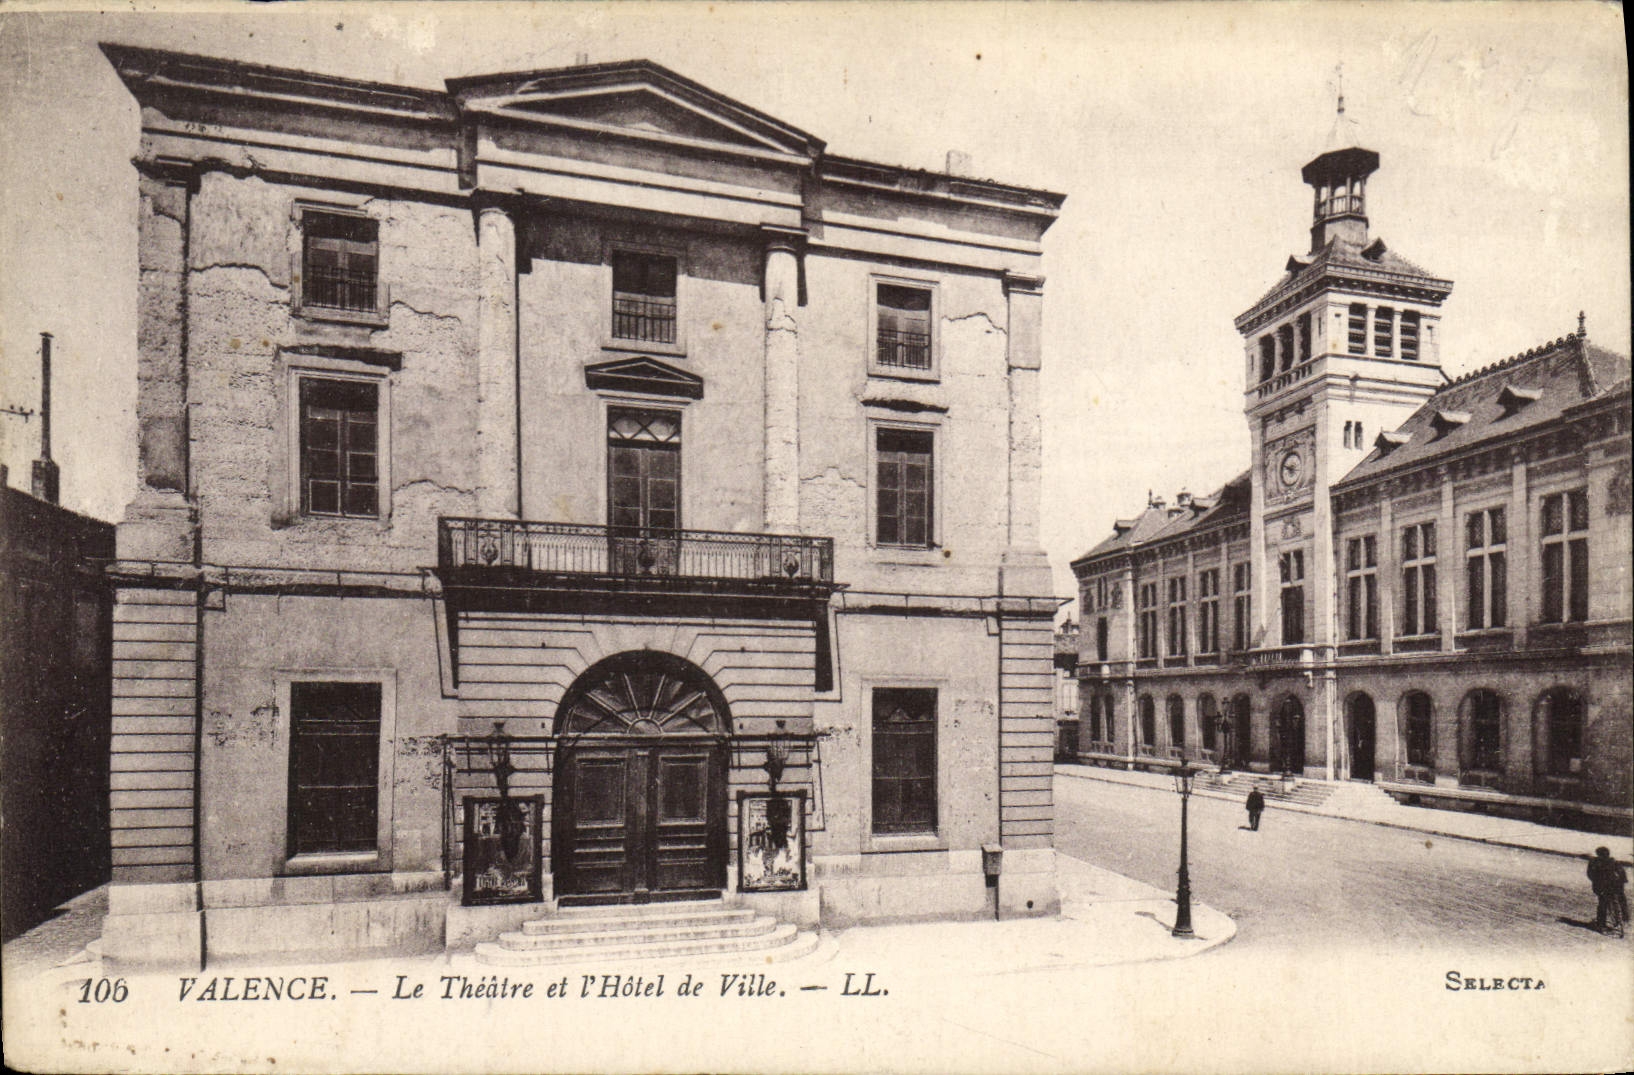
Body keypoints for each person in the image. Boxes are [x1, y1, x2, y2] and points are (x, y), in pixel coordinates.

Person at [1587, 846, 1628, 934]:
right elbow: (1622, 875)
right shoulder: (1610, 862)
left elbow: (1591, 875)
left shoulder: (1596, 862)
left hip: (1606, 887)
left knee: (1605, 903)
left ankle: (1603, 924)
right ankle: (1623, 917)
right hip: (1609, 886)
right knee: (1614, 901)